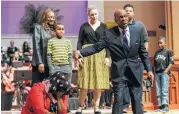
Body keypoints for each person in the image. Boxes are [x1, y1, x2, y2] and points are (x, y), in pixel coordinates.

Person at [74, 9, 154, 114]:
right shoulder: (109, 33)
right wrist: (80, 52)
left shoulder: (136, 31)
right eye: (120, 17)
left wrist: (149, 70)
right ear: (115, 19)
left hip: (135, 70)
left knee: (136, 99)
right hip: (119, 71)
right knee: (118, 99)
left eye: (125, 16)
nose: (124, 19)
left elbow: (143, 52)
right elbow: (96, 47)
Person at [76, 6, 110, 114]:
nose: (94, 16)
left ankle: (96, 106)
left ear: (98, 14)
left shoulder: (104, 26)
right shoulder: (84, 26)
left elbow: (107, 42)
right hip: (86, 54)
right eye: (92, 14)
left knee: (98, 83)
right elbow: (80, 41)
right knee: (84, 81)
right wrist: (79, 55)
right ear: (88, 15)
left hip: (100, 54)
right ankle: (80, 106)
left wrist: (107, 57)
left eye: (95, 14)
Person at [123, 4, 149, 113]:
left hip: (137, 61)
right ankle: (124, 106)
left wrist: (143, 56)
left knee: (137, 84)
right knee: (124, 83)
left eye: (130, 11)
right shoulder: (120, 26)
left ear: (133, 13)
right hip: (124, 61)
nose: (128, 12)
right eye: (126, 11)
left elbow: (145, 41)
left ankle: (139, 107)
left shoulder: (140, 26)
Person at [47, 23, 72, 114]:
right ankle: (56, 108)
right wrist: (51, 68)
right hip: (56, 67)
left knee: (66, 89)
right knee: (56, 89)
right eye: (59, 29)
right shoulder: (51, 41)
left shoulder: (68, 42)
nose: (61, 31)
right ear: (55, 31)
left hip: (66, 68)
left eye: (62, 29)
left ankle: (65, 108)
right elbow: (49, 56)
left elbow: (70, 56)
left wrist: (70, 67)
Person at [32, 8, 57, 84]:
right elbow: (36, 45)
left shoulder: (55, 29)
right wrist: (40, 62)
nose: (52, 19)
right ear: (45, 17)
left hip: (52, 64)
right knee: (39, 88)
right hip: (41, 63)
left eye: (53, 17)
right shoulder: (38, 28)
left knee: (50, 89)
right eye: (49, 17)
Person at [154, 36, 174, 113]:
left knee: (164, 90)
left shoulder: (168, 52)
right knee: (158, 91)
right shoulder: (156, 53)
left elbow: (171, 63)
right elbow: (155, 64)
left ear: (165, 43)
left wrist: (166, 71)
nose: (159, 44)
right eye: (158, 43)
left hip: (164, 73)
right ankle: (160, 106)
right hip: (157, 73)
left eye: (161, 43)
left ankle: (165, 106)